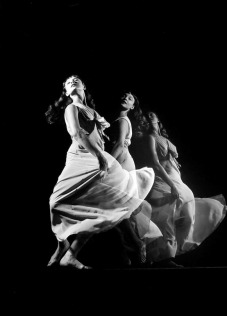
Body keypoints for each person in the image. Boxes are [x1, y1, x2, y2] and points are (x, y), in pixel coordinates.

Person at [45, 75, 155, 269]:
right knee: (56, 202)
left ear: (84, 85)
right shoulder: (72, 108)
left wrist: (102, 152)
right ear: (65, 89)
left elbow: (100, 138)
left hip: (97, 159)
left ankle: (70, 254)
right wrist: (100, 156)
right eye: (68, 81)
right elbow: (77, 133)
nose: (72, 81)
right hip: (81, 157)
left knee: (99, 208)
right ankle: (62, 245)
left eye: (76, 79)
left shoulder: (93, 112)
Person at [136, 110, 227, 267]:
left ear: (158, 119)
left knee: (189, 217)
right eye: (147, 116)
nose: (149, 117)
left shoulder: (164, 138)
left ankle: (169, 252)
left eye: (152, 114)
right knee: (166, 219)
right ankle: (164, 257)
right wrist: (171, 184)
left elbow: (171, 159)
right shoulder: (150, 137)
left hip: (177, 178)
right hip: (165, 180)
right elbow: (155, 163)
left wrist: (175, 164)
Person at [107, 92, 162, 265]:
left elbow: (119, 144)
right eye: (123, 96)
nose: (125, 98)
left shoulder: (123, 120)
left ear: (132, 107)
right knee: (118, 212)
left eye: (130, 98)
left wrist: (106, 164)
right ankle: (130, 252)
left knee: (118, 211)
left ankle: (136, 248)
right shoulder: (119, 120)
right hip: (122, 164)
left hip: (121, 166)